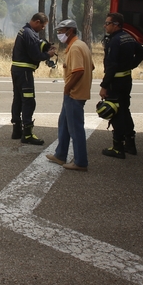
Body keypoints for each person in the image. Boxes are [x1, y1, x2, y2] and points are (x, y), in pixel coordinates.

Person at [46, 19, 93, 171]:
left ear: (70, 31)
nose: (59, 34)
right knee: (64, 124)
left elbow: (79, 70)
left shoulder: (75, 48)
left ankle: (80, 162)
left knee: (75, 128)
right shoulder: (81, 45)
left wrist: (68, 88)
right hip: (76, 93)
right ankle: (60, 155)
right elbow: (91, 66)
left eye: (61, 31)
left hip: (74, 94)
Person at [99, 12, 143, 158]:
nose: (105, 26)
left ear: (116, 25)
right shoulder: (128, 37)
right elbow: (142, 51)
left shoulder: (115, 41)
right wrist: (130, 66)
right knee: (125, 110)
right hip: (126, 80)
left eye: (107, 23)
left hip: (116, 82)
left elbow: (112, 66)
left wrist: (104, 86)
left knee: (115, 113)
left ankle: (118, 147)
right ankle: (130, 144)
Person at [10, 12, 57, 145]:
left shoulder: (24, 31)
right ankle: (28, 134)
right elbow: (35, 55)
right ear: (37, 22)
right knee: (28, 101)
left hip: (17, 70)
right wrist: (48, 54)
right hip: (25, 71)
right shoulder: (29, 33)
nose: (42, 28)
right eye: (42, 25)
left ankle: (17, 129)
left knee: (18, 99)